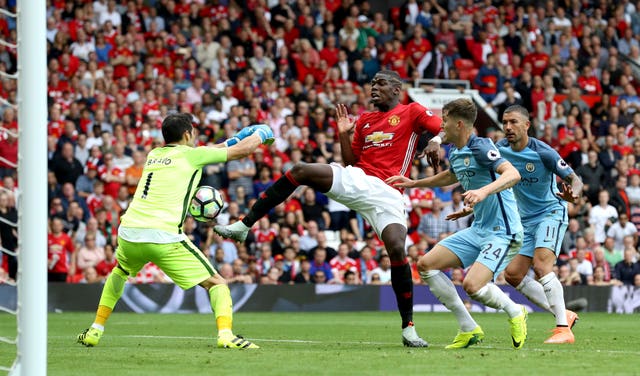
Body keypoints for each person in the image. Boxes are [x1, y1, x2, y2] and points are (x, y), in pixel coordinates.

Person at [215, 70, 443, 347]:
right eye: (372, 83)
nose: (373, 88)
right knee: (300, 170)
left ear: (397, 89)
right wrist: (343, 134)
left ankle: (408, 328)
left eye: (380, 83)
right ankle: (244, 224)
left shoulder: (412, 111)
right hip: (360, 179)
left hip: (390, 192)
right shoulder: (365, 121)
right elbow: (349, 161)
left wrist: (435, 141)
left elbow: (443, 126)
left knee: (397, 248)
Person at [77, 113, 274, 349]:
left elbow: (213, 149)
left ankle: (95, 330)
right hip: (163, 235)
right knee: (217, 283)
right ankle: (226, 335)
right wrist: (262, 133)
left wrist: (233, 139)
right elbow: (240, 152)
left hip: (129, 231)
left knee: (120, 272)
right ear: (188, 134)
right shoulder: (192, 155)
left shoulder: (154, 155)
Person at [386, 98, 527, 350]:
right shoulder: (457, 150)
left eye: (445, 121)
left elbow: (512, 174)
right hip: (478, 228)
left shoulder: (482, 146)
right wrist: (413, 183)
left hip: (503, 232)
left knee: (472, 286)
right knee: (426, 265)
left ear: (459, 124)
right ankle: (468, 327)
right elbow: (452, 176)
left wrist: (482, 192)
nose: (441, 126)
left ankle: (516, 311)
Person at [496, 105, 583, 344]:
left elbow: (576, 180)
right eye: (504, 122)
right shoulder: (500, 150)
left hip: (550, 212)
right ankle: (563, 313)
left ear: (526, 125)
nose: (507, 127)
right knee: (512, 275)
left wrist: (573, 196)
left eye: (513, 122)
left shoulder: (544, 152)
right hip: (524, 219)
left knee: (543, 266)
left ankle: (563, 329)